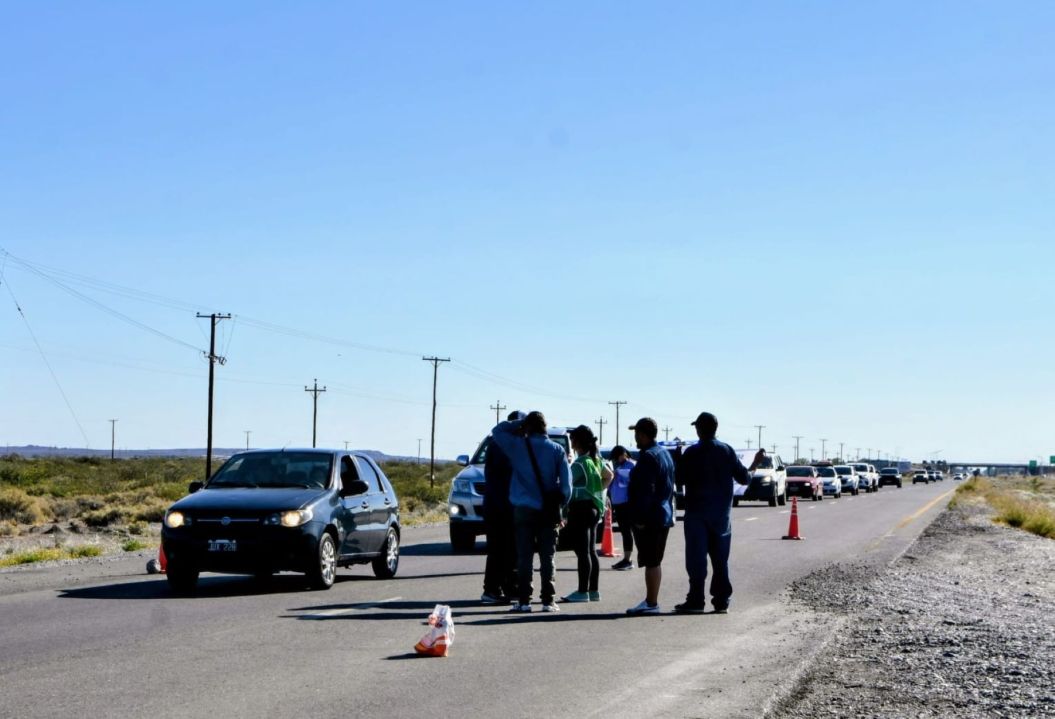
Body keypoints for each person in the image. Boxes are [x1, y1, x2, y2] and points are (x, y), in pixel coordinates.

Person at [674, 411, 764, 614]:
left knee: (696, 559)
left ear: (699, 429)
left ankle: (696, 600)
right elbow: (744, 478)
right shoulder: (726, 451)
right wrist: (756, 464)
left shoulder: (692, 452)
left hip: (696, 514)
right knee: (720, 559)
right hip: (721, 516)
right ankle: (722, 601)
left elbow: (679, 480)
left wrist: (678, 461)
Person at [490, 411, 571, 613]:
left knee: (524, 556)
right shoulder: (557, 450)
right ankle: (548, 600)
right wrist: (561, 507)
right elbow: (567, 488)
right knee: (547, 557)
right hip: (548, 511)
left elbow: (497, 430)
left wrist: (519, 423)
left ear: (527, 426)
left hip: (523, 508)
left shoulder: (517, 446)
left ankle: (524, 600)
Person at [624, 417, 675, 615]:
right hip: (663, 513)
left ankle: (652, 603)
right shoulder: (664, 453)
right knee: (654, 560)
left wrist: (640, 519)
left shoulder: (648, 457)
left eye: (637, 433)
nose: (635, 437)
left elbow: (646, 491)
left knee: (652, 561)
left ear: (643, 435)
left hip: (651, 517)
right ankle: (651, 601)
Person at [561, 425, 613, 603]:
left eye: (572, 440)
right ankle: (593, 590)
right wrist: (597, 490)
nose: (571, 443)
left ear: (577, 442)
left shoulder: (580, 463)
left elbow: (565, 484)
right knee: (591, 550)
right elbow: (609, 476)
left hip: (580, 508)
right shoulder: (596, 460)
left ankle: (582, 591)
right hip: (594, 508)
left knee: (582, 552)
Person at [480, 410, 524, 605]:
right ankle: (500, 589)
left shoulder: (495, 444)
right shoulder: (508, 446)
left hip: (494, 505)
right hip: (505, 506)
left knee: (499, 550)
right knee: (506, 550)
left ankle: (498, 589)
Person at [608, 445, 636, 570]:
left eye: (617, 457)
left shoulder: (631, 465)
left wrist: (618, 473)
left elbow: (631, 479)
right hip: (618, 504)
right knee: (624, 532)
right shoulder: (620, 466)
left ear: (623, 455)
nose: (615, 460)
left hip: (626, 504)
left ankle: (628, 560)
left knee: (627, 532)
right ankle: (626, 559)